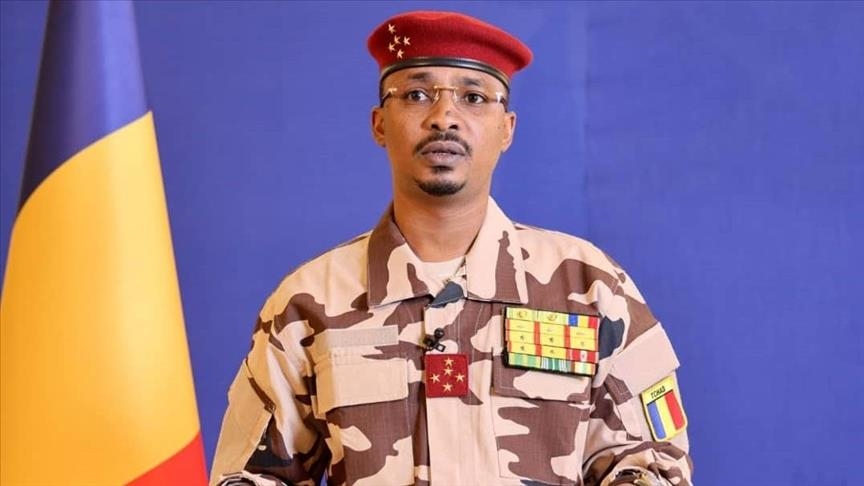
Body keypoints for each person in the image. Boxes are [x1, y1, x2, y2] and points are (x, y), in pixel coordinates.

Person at [211, 10, 692, 486]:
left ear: (507, 129)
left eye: (473, 97)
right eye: (416, 95)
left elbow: (654, 466)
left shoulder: (589, 289)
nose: (444, 117)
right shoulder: (309, 303)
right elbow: (248, 477)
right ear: (379, 124)